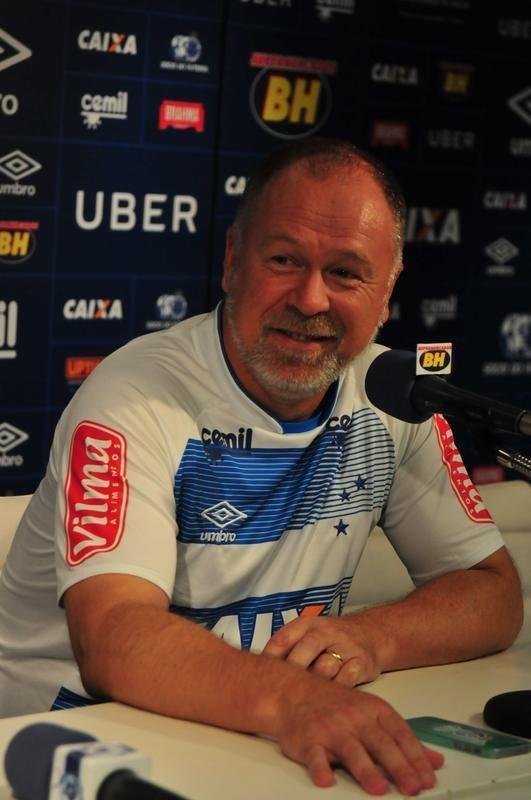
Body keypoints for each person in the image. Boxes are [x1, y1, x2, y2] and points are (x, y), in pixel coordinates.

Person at [0, 138, 523, 797]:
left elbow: (491, 593)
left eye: (345, 272)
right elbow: (113, 638)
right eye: (284, 260)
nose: (308, 300)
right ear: (232, 262)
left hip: (257, 743)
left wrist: (371, 636)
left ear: (385, 291)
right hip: (70, 748)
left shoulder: (393, 394)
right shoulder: (136, 394)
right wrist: (293, 700)